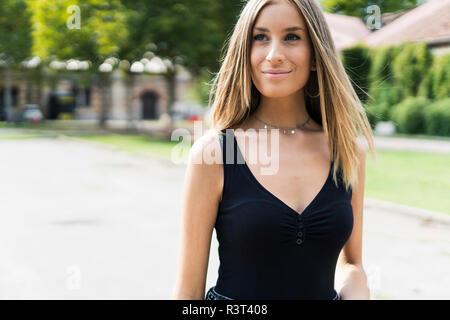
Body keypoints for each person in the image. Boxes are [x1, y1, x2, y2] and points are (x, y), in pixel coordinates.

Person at [172, 0, 376, 300]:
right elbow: (188, 294)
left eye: (292, 37)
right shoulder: (214, 154)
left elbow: (351, 262)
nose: (274, 55)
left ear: (316, 55)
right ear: (246, 52)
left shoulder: (347, 151)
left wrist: (358, 290)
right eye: (260, 37)